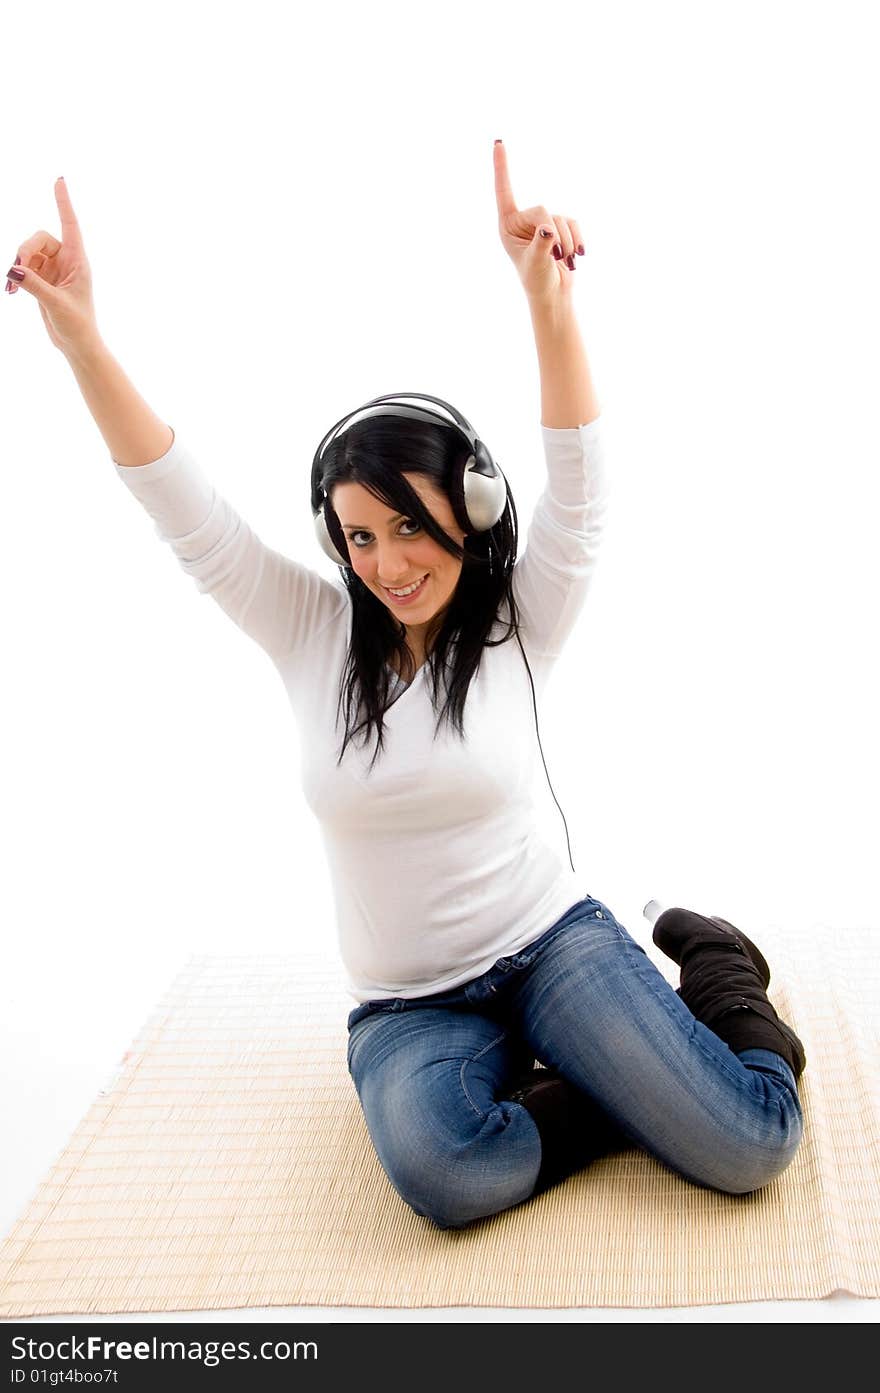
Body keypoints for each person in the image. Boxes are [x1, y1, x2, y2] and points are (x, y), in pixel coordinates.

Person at [8, 142, 805, 1232]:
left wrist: (548, 306)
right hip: (407, 1004)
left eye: (413, 524)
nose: (388, 561)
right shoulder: (306, 626)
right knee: (449, 1174)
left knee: (751, 1138)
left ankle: (709, 958)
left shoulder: (523, 619)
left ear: (469, 512)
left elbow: (581, 494)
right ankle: (615, 1090)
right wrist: (81, 340)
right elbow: (181, 504)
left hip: (550, 946)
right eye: (361, 535)